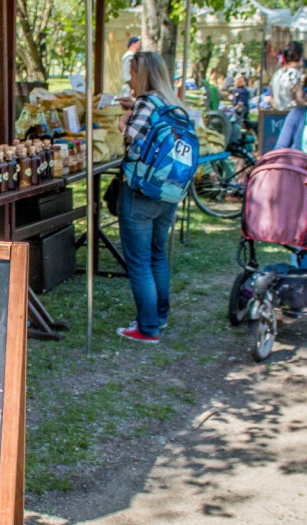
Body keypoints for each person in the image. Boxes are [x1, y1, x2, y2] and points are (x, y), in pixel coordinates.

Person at [115, 51, 186, 344]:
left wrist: (124, 121)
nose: (129, 79)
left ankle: (147, 328)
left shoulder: (146, 103)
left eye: (132, 73)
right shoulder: (173, 103)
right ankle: (160, 315)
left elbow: (132, 136)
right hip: (168, 191)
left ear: (141, 74)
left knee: (139, 261)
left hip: (141, 191)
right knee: (157, 255)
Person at [271, 41, 304, 110]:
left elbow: (272, 98)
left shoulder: (277, 74)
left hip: (276, 115)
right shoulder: (296, 75)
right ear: (299, 57)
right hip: (292, 114)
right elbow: (299, 99)